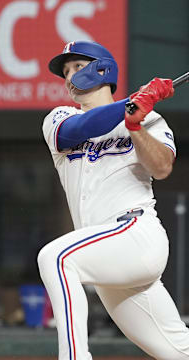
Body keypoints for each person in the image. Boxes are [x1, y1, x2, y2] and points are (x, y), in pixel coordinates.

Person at [38, 40, 189, 360]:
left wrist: (135, 124)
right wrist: (132, 104)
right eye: (65, 72)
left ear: (102, 70)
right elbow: (82, 127)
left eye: (77, 67)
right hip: (103, 257)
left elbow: (162, 167)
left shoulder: (149, 119)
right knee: (178, 351)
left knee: (56, 258)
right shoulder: (59, 117)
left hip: (137, 234)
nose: (69, 77)